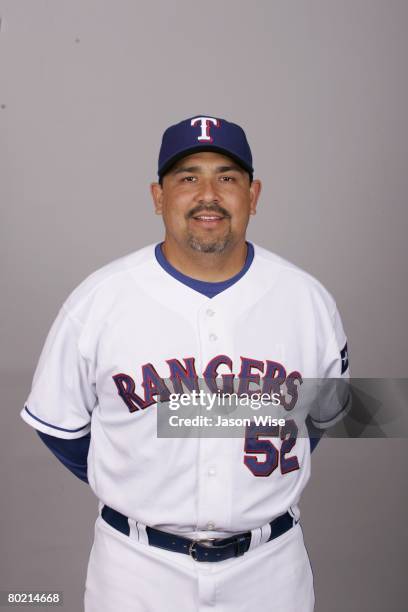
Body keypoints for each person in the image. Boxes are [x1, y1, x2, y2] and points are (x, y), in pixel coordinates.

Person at [21, 115, 350, 611]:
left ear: (254, 194)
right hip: (136, 572)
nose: (208, 193)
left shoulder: (308, 301)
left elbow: (320, 421)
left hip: (270, 572)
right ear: (158, 196)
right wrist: (136, 476)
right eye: (188, 177)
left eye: (227, 177)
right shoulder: (99, 300)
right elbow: (59, 428)